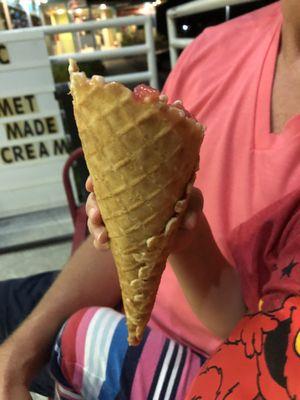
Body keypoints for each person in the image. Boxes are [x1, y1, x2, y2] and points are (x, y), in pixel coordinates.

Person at [1, 0, 300, 398]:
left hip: (212, 368)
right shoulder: (214, 49)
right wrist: (17, 356)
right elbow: (128, 234)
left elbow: (248, 334)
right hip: (128, 315)